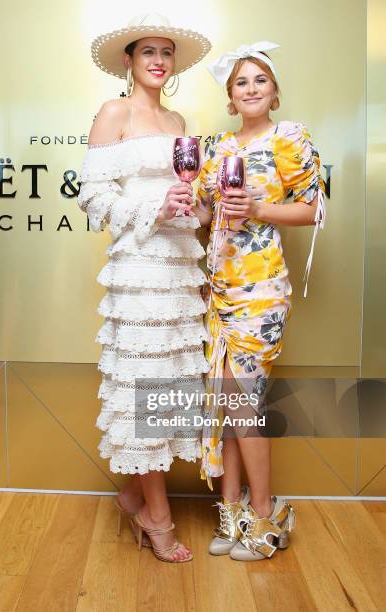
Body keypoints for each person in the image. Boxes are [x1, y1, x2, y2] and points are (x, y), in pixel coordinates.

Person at [77, 14, 211, 563]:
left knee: (172, 387)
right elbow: (91, 197)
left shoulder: (179, 119)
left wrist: (201, 207)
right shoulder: (114, 113)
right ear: (129, 60)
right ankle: (156, 517)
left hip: (180, 268)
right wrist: (152, 209)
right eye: (148, 51)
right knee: (146, 387)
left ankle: (134, 496)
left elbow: (188, 199)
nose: (158, 59)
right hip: (139, 271)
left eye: (166, 52)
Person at [193, 41, 326, 560]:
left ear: (274, 92)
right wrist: (187, 206)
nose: (251, 89)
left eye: (260, 81)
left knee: (245, 402)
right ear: (230, 97)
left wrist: (260, 208)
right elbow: (206, 218)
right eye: (241, 82)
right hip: (218, 290)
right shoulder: (216, 149)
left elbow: (314, 210)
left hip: (262, 288)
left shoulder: (289, 138)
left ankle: (267, 516)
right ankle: (231, 514)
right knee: (228, 404)